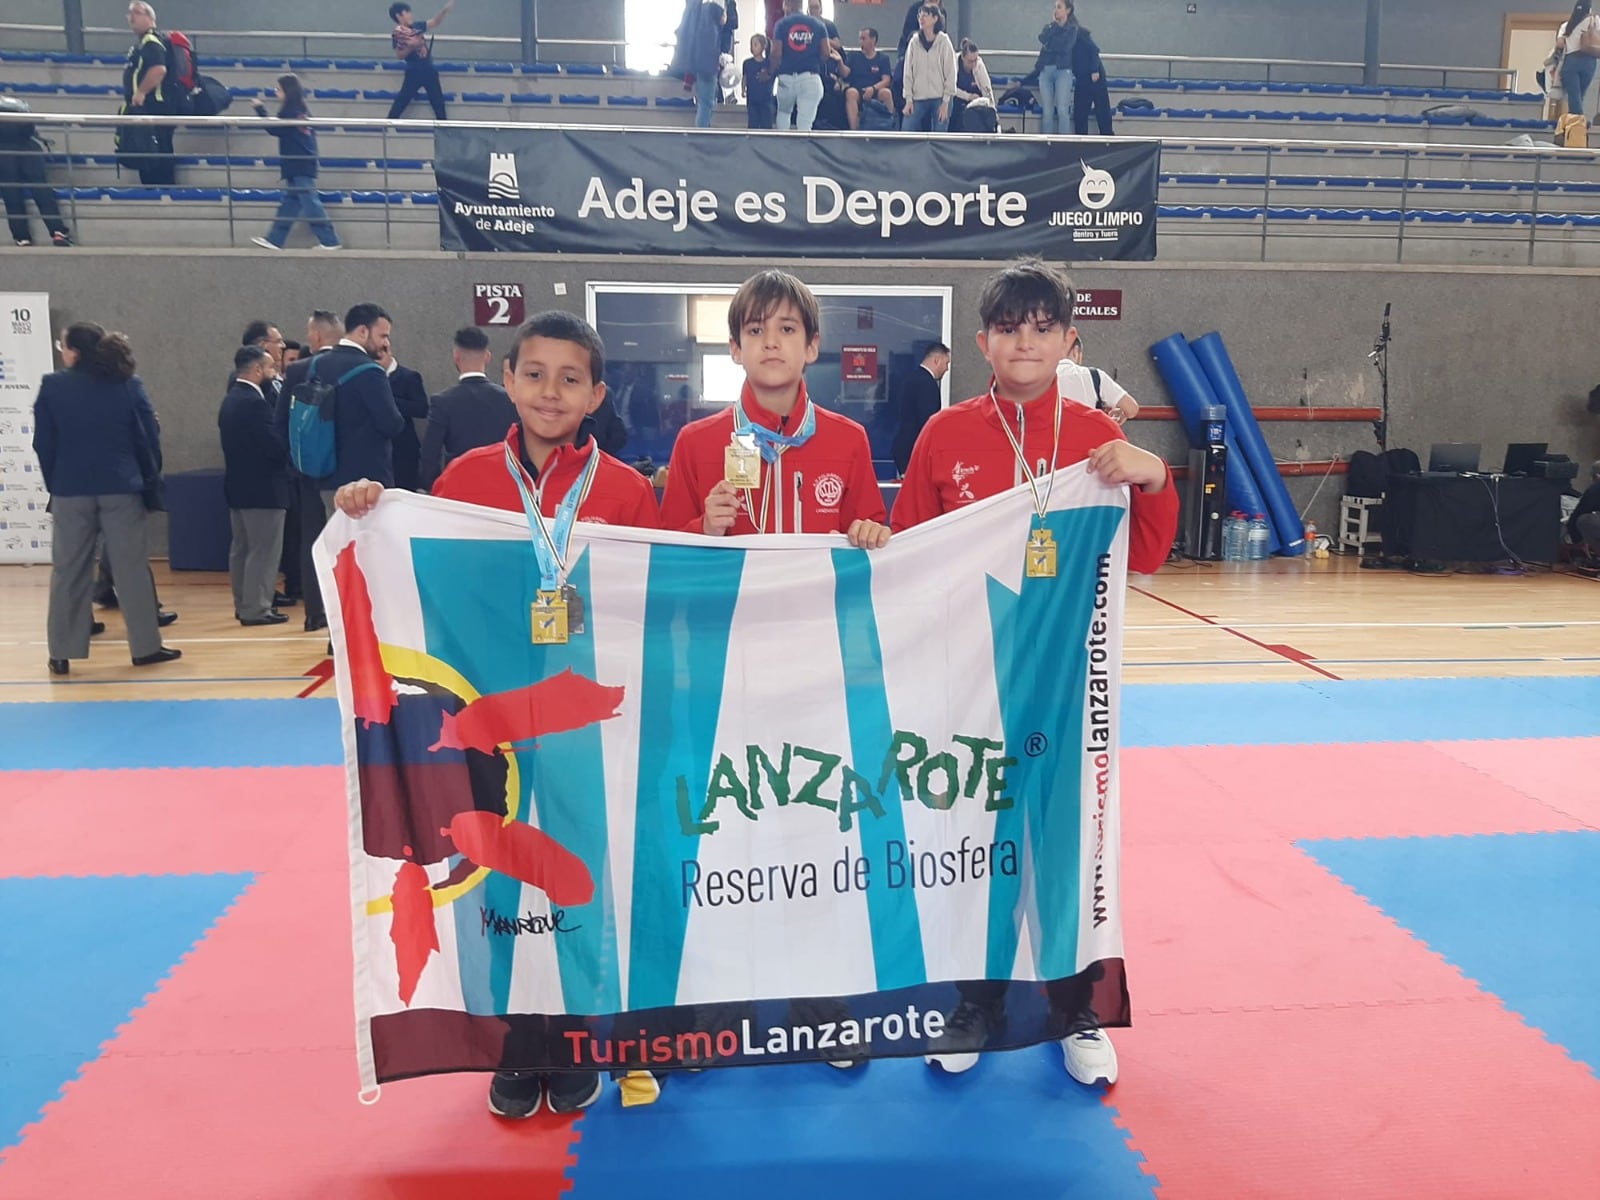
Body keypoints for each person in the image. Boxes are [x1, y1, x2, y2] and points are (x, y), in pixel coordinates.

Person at [335, 311, 660, 1120]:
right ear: (508, 380)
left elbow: (656, 599)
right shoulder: (464, 482)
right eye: (536, 374)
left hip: (585, 718)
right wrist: (371, 509)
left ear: (596, 395)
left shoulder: (623, 490)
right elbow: (428, 595)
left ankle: (577, 1030)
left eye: (571, 378)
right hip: (486, 719)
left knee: (581, 874)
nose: (551, 392)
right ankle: (514, 1041)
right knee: (494, 877)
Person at [892, 260, 1178, 1088]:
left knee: (1067, 850)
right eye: (1009, 326)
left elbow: (1148, 555)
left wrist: (1155, 473)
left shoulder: (1097, 436)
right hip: (970, 682)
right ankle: (974, 1001)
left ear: (1069, 341)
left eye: (1042, 326)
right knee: (976, 848)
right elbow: (911, 553)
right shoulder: (945, 435)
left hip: (1067, 685)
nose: (1025, 339)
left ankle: (1073, 1005)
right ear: (982, 341)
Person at [661, 269, 891, 546]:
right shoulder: (695, 442)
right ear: (736, 349)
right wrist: (705, 528)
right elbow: (666, 554)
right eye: (756, 330)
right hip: (731, 591)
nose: (770, 342)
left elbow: (870, 536)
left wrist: (868, 533)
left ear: (811, 346)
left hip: (818, 589)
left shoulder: (848, 439)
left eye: (787, 329)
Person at [34, 322, 182, 675]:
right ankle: (145, 647)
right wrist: (148, 479)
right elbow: (147, 436)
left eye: (63, 346)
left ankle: (61, 652)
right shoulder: (127, 384)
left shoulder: (53, 386)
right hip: (121, 487)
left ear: (74, 351)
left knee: (69, 570)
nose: (61, 352)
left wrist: (56, 479)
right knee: (130, 570)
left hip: (70, 490)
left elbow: (43, 442)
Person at [276, 308, 343, 631]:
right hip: (341, 472)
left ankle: (314, 612)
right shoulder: (356, 367)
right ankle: (340, 613)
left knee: (310, 541)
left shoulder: (297, 371)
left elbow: (280, 423)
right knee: (341, 544)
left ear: (315, 336)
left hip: (305, 471)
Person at [219, 345, 290, 627]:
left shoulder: (230, 400)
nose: (274, 373)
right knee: (263, 551)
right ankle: (257, 609)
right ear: (258, 370)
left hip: (238, 487)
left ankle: (243, 604)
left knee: (241, 550)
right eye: (271, 367)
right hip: (263, 489)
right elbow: (273, 446)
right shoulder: (256, 404)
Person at [313, 303, 404, 511]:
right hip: (365, 486)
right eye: (383, 336)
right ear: (363, 331)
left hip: (324, 475)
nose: (386, 343)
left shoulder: (314, 365)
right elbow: (392, 424)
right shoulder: (371, 371)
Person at [248, 75, 342, 251]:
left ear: (287, 91)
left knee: (310, 202)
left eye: (279, 89)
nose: (276, 92)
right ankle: (275, 239)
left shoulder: (290, 111)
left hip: (298, 162)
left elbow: (275, 130)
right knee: (290, 202)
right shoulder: (301, 109)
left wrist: (260, 110)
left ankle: (330, 240)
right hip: (300, 161)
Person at [420, 326, 516, 490]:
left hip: (459, 485)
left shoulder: (442, 402)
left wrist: (431, 488)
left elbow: (430, 454)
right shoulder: (510, 398)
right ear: (487, 357)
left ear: (456, 356)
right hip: (503, 484)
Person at [0, 94, 73, 247]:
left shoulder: (12, 101)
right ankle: (55, 231)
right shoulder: (15, 101)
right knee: (37, 189)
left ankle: (23, 237)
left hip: (10, 149)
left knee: (14, 192)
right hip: (24, 147)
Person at [119, 1, 175, 185]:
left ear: (150, 18)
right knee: (148, 157)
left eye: (136, 12)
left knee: (156, 158)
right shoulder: (142, 43)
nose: (131, 17)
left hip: (154, 110)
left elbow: (159, 69)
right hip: (148, 111)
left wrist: (141, 92)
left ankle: (163, 196)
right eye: (129, 13)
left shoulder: (151, 42)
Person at [890, 341, 950, 476]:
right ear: (937, 360)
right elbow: (927, 422)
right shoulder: (927, 384)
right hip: (914, 451)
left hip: (904, 447)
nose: (947, 369)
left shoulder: (911, 378)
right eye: (946, 363)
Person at [387, 1, 454, 122]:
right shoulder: (398, 33)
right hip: (414, 69)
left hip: (428, 67)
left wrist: (444, 11)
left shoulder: (417, 26)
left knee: (438, 101)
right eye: (407, 12)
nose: (410, 15)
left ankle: (444, 130)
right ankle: (387, 125)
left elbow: (434, 22)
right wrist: (412, 46)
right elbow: (400, 55)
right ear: (399, 16)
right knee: (402, 99)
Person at [769, 0, 829, 133]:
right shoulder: (818, 24)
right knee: (805, 123)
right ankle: (802, 151)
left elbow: (776, 53)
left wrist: (770, 71)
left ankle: (783, 150)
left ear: (787, 5)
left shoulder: (782, 24)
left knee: (783, 114)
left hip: (786, 77)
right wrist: (814, 61)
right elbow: (826, 52)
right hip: (810, 77)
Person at [378, 342, 429, 492]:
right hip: (379, 448)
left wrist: (388, 399)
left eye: (379, 358)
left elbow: (422, 408)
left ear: (389, 353)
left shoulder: (408, 377)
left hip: (404, 447)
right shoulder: (369, 377)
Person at [1060, 328, 1138, 423]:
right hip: (1088, 436)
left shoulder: (1039, 378)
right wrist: (1122, 412)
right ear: (1076, 351)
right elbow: (1132, 409)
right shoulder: (1095, 376)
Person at [1027, 0, 1081, 136]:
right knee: (1047, 110)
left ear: (1068, 10)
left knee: (1063, 109)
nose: (1056, 10)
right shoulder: (1050, 27)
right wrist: (1054, 29)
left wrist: (1050, 45)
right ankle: (1047, 142)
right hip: (1046, 71)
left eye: (1059, 7)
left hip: (1063, 71)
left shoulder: (1072, 29)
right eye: (1055, 7)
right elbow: (1042, 38)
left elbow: (1065, 47)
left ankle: (1063, 143)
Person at [671, 0, 727, 129]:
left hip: (695, 62)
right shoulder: (712, 10)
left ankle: (703, 126)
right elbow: (724, 20)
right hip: (707, 64)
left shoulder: (693, 11)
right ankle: (702, 131)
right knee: (706, 102)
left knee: (704, 99)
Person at [901, 4, 956, 133]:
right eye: (920, 15)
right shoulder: (914, 42)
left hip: (940, 97)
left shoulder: (944, 41)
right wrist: (909, 99)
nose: (921, 18)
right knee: (906, 129)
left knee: (939, 135)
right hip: (918, 97)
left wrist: (946, 101)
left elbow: (951, 72)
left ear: (935, 18)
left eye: (925, 15)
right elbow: (908, 72)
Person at [840, 26, 894, 130]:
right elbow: (845, 74)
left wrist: (873, 89)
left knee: (886, 93)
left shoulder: (883, 58)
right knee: (850, 93)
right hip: (858, 90)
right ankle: (854, 130)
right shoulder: (854, 56)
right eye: (860, 38)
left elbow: (886, 80)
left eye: (863, 38)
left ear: (873, 40)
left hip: (875, 90)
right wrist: (839, 62)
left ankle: (889, 126)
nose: (861, 41)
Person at [1071, 20, 1113, 135]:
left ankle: (1107, 137)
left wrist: (1094, 70)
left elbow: (1094, 49)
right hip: (1081, 77)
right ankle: (1081, 141)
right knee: (1080, 113)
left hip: (1094, 76)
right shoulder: (1062, 36)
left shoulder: (1079, 33)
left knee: (1102, 109)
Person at [1560, 0, 1598, 119]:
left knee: (1574, 97)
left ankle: (1578, 124)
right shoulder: (1594, 20)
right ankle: (1578, 125)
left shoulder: (1567, 25)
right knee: (1580, 96)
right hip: (1589, 61)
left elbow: (1560, 45)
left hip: (1571, 61)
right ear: (1589, 9)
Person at [950, 38, 995, 133]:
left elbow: (987, 88)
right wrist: (968, 97)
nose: (974, 64)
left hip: (976, 103)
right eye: (970, 61)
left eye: (975, 60)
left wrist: (992, 107)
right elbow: (950, 87)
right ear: (962, 57)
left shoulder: (979, 66)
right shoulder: (953, 63)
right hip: (957, 100)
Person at [743, 33, 777, 129]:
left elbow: (773, 76)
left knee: (766, 121)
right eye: (751, 45)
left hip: (766, 98)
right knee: (753, 121)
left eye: (755, 44)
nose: (752, 48)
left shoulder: (768, 63)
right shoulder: (747, 63)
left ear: (763, 47)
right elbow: (745, 77)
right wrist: (743, 89)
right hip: (752, 97)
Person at [1569, 459, 1600, 555]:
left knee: (1585, 520)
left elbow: (1578, 515)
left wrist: (1577, 540)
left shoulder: (1596, 489)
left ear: (1597, 476)